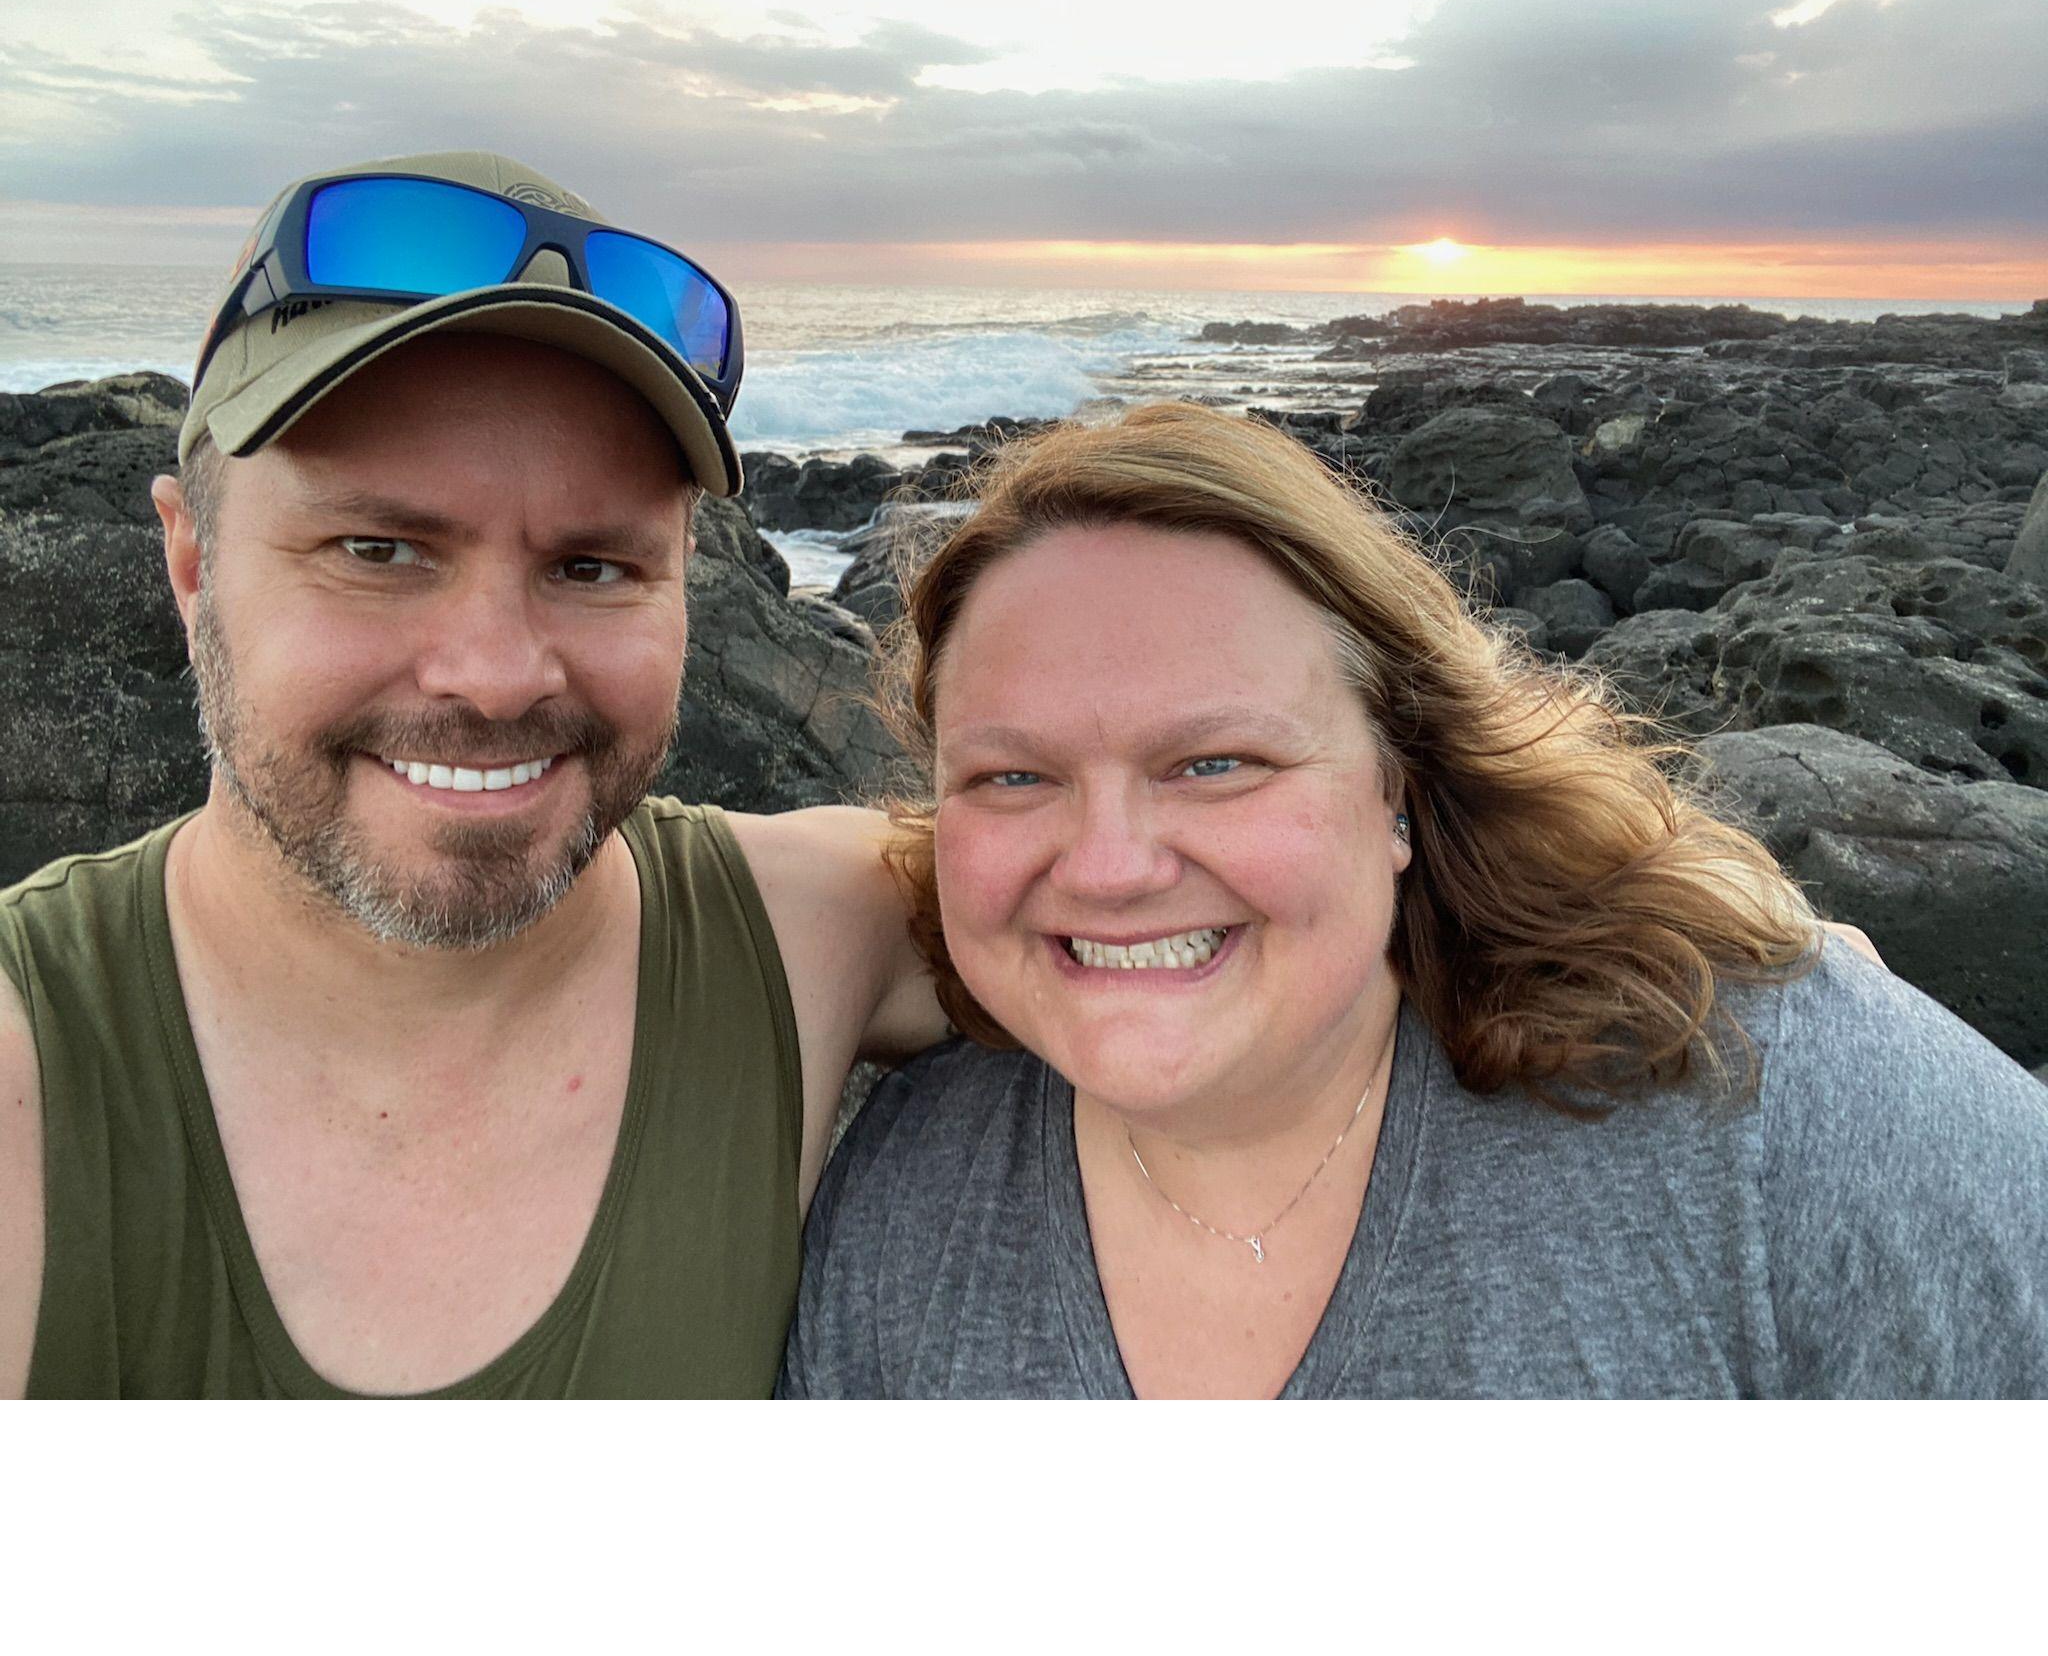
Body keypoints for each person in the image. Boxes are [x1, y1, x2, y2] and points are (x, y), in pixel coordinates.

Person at [781, 402, 2048, 1398]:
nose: (1108, 863)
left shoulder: (1769, 1110)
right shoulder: (908, 1207)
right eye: (1011, 775)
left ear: (1398, 784)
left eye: (1215, 762)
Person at [0, 151, 943, 1398]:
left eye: (594, 565)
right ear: (189, 562)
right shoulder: (35, 1062)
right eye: (377, 547)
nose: (497, 675)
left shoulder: (811, 931)